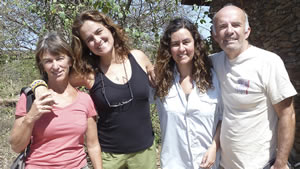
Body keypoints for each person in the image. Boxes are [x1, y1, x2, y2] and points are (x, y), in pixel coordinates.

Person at [33, 10, 157, 169]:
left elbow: (161, 79)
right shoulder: (88, 74)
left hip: (144, 153)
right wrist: (38, 85)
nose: (97, 40)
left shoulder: (138, 57)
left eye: (99, 32)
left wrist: (155, 69)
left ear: (110, 29)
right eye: (89, 39)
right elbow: (52, 78)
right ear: (86, 45)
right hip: (109, 157)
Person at [210, 4, 297, 169]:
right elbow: (182, 65)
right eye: (222, 26)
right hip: (223, 164)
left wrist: (281, 162)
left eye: (236, 25)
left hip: (260, 164)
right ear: (215, 35)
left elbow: (287, 114)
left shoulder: (268, 62)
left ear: (247, 31)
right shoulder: (213, 62)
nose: (229, 31)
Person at [9, 32, 102, 169]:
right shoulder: (31, 98)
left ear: (70, 61)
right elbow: (16, 147)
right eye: (48, 61)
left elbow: (93, 145)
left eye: (59, 58)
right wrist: (30, 118)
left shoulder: (85, 99)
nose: (55, 66)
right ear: (42, 65)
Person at [154, 18, 222, 169]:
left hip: (207, 164)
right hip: (174, 164)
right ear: (169, 49)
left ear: (195, 44)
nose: (181, 48)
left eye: (186, 42)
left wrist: (214, 146)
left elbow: (223, 118)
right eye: (175, 44)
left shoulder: (214, 77)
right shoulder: (160, 81)